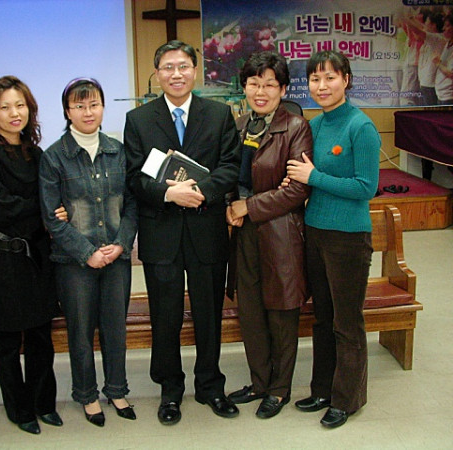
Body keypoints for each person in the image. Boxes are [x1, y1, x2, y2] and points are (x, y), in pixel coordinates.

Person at [124, 40, 241, 425]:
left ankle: (210, 386)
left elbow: (230, 165)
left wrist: (200, 192)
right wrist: (168, 194)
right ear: (157, 73)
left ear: (195, 70)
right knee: (165, 317)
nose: (176, 74)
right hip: (161, 234)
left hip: (206, 231)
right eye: (168, 67)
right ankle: (170, 390)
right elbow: (134, 177)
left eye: (183, 66)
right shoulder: (139, 120)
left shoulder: (219, 114)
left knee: (209, 314)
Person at [286, 50, 380, 428]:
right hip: (316, 231)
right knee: (322, 318)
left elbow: (365, 187)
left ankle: (347, 399)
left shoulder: (361, 126)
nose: (321, 86)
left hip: (348, 238)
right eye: (315, 79)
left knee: (347, 321)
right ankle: (322, 390)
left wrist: (314, 178)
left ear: (346, 80)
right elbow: (302, 173)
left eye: (330, 78)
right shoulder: (316, 125)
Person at [40, 77, 138, 427]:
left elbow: (132, 205)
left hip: (116, 257)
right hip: (74, 263)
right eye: (79, 106)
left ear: (103, 107)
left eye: (93, 104)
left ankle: (117, 390)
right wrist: (87, 253)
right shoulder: (54, 157)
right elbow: (51, 218)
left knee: (115, 328)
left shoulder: (117, 150)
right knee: (80, 331)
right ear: (67, 111)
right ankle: (86, 394)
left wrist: (121, 243)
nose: (87, 112)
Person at [0, 76, 64, 435]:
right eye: (5, 106)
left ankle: (44, 403)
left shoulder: (36, 154)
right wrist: (43, 209)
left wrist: (46, 210)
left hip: (38, 256)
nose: (14, 113)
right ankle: (19, 410)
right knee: (9, 341)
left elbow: (52, 202)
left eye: (20, 105)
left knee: (41, 336)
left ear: (30, 109)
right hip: (2, 258)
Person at [224, 52, 312, 419]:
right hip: (244, 235)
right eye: (253, 84)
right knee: (251, 313)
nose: (260, 92)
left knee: (281, 312)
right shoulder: (239, 125)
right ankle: (259, 382)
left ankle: (279, 389)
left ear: (283, 89)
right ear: (244, 88)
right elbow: (228, 174)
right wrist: (230, 205)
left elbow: (297, 190)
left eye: (269, 85)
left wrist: (248, 206)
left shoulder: (296, 127)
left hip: (280, 234)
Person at [434, 14, 453, 104]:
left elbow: (451, 74)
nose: (443, 28)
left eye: (447, 25)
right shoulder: (448, 43)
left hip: (448, 95)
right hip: (440, 93)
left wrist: (438, 63)